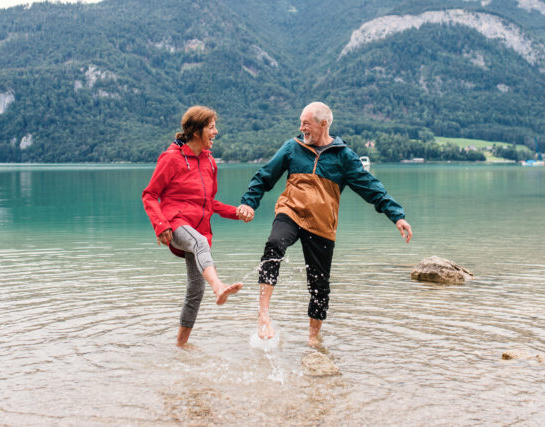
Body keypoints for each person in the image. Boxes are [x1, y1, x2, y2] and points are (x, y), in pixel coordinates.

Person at [237, 102, 412, 346]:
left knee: (320, 285)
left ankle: (313, 338)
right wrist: (249, 203)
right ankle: (263, 313)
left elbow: (370, 186)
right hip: (291, 212)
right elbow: (264, 176)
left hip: (322, 225)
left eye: (306, 124)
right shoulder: (292, 148)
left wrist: (397, 215)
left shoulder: (343, 157)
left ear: (323, 124)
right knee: (274, 244)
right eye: (300, 123)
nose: (301, 128)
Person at [142, 106, 249, 347]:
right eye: (211, 127)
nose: (216, 132)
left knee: (195, 291)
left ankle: (180, 346)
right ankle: (219, 286)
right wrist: (160, 225)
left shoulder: (210, 162)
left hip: (199, 228)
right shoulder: (171, 158)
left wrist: (237, 213)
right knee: (200, 243)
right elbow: (149, 195)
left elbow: (209, 203)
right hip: (175, 225)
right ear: (196, 130)